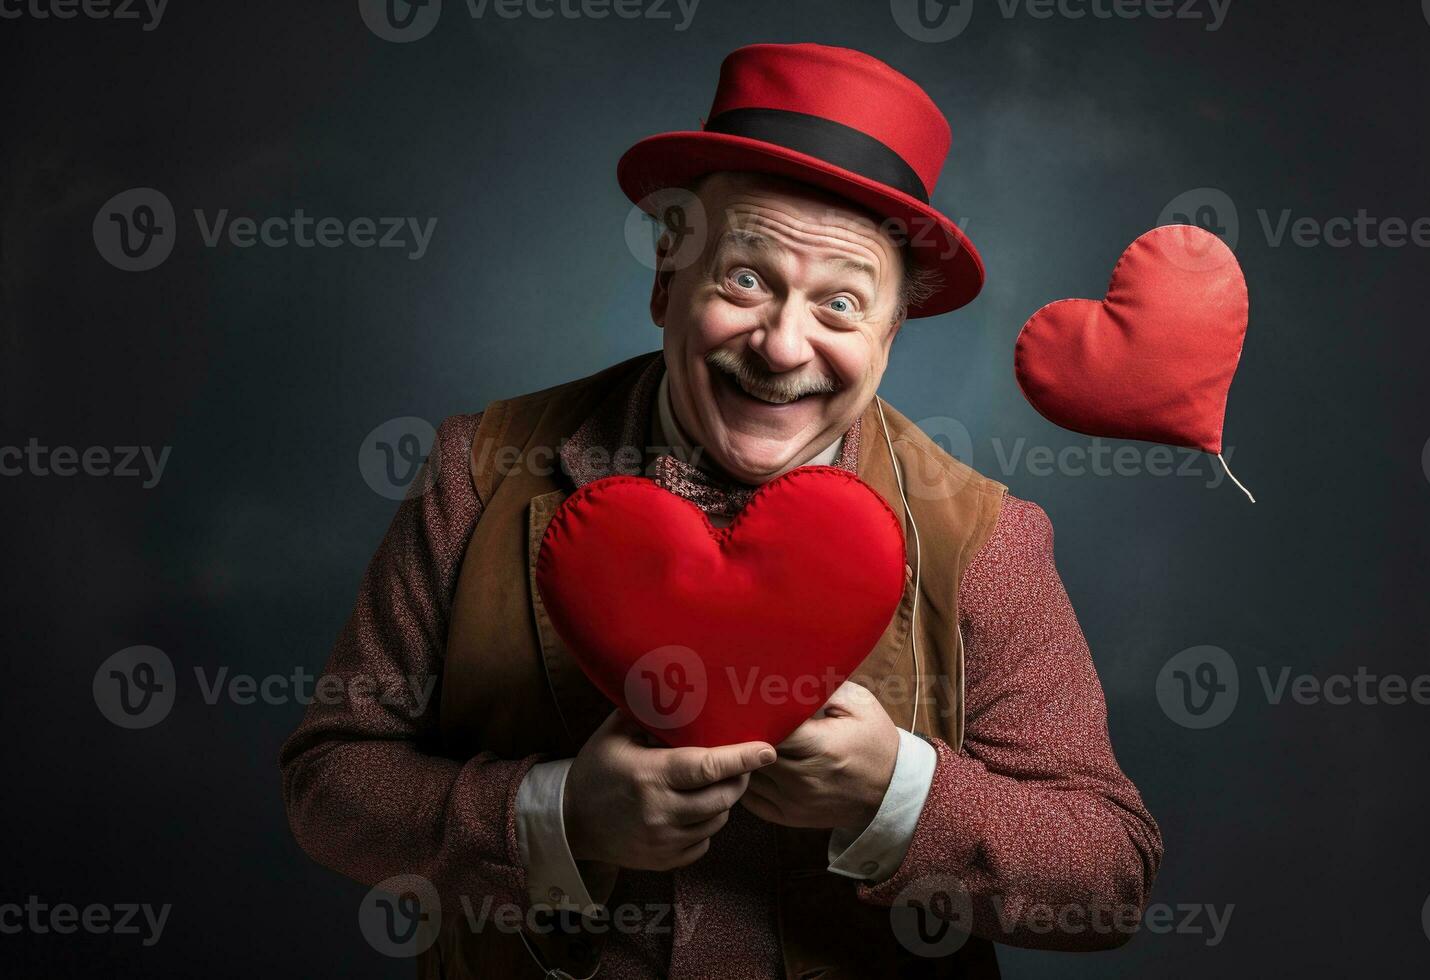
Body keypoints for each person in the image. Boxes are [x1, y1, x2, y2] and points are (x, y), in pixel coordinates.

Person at [279, 41, 1162, 979]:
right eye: (746, 279)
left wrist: (894, 790)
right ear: (668, 278)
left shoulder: (985, 537)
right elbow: (328, 783)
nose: (783, 346)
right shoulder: (479, 471)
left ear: (892, 334)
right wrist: (559, 813)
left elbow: (1110, 876)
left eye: (841, 304)